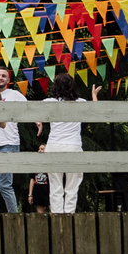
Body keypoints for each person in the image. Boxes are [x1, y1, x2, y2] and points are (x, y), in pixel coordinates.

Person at [41, 78, 87, 213]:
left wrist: (39, 122)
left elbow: (31, 111)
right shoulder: (81, 103)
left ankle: (56, 216)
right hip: (73, 146)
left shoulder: (49, 102)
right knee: (73, 185)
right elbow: (96, 112)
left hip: (54, 145)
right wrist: (94, 97)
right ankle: (69, 214)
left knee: (55, 185)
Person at [0, 65, 27, 212]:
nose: (0, 78)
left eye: (3, 76)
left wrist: (37, 120)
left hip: (9, 143)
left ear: (8, 79)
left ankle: (13, 217)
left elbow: (30, 109)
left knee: (4, 184)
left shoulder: (15, 95)